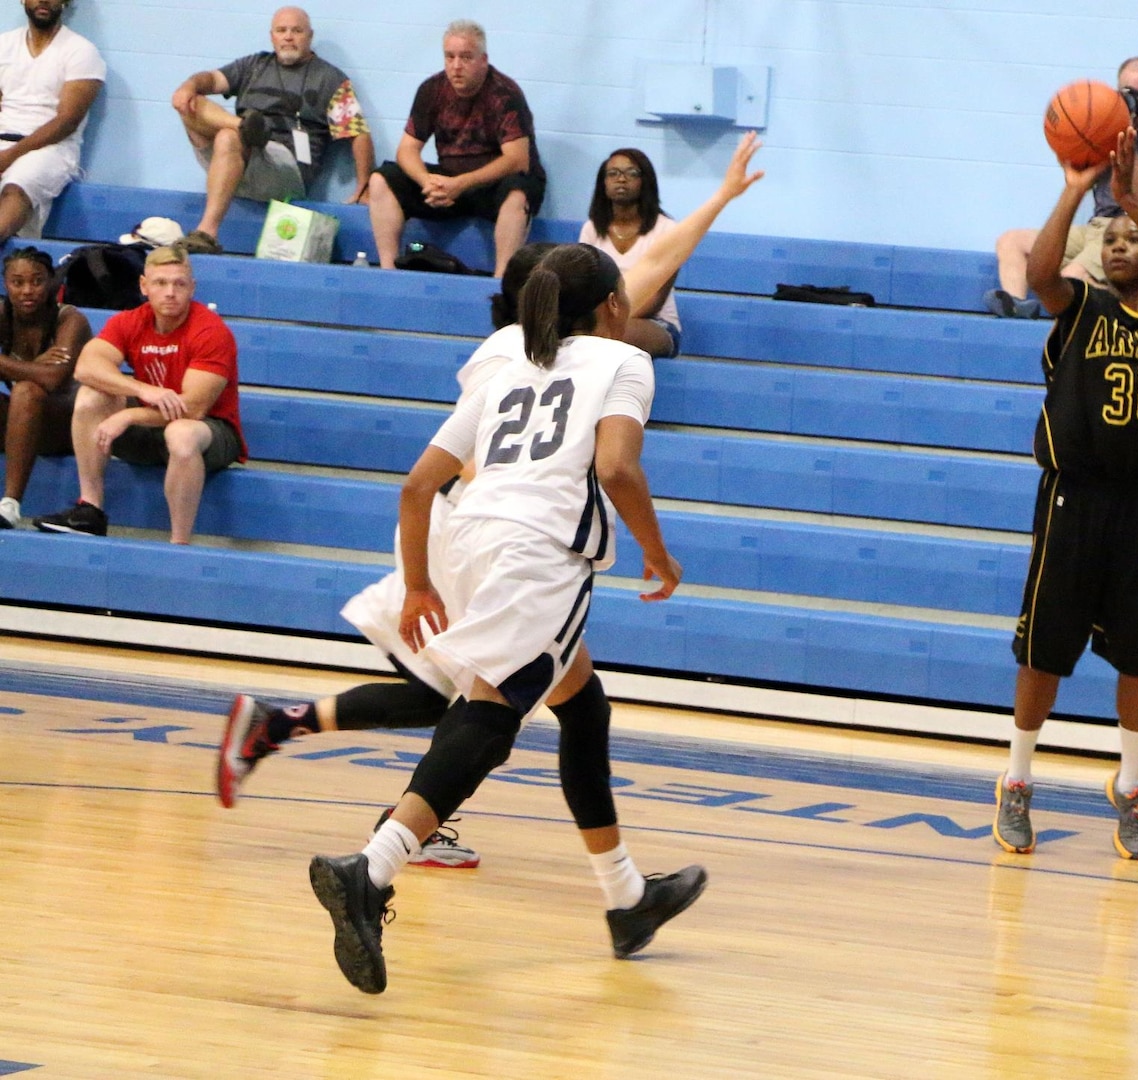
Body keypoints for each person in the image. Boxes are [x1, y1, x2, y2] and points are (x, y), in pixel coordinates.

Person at [220, 136, 764, 912]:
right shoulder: (609, 360)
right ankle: (380, 859)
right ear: (601, 304)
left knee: (571, 703)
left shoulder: (506, 348)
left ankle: (624, 894)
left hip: (458, 530)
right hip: (521, 543)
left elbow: (419, 482)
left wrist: (716, 200)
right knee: (483, 712)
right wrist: (660, 555)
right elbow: (615, 459)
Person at [993, 126, 1138, 861]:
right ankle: (1017, 782)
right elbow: (1044, 269)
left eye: (1129, 240)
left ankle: (1133, 788)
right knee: (1043, 654)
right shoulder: (1079, 308)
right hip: (1072, 499)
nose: (1117, 246)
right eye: (1108, 240)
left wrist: (1134, 205)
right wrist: (1078, 190)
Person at [34, 245, 247, 544]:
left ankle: (179, 543)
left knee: (181, 434)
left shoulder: (211, 331)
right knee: (91, 396)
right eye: (161, 283)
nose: (170, 292)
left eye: (179, 284)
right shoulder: (131, 321)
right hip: (152, 422)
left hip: (210, 432)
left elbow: (193, 409)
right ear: (144, 286)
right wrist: (141, 389)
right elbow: (86, 367)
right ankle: (89, 510)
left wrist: (129, 414)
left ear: (192, 288)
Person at [988, 57, 1138, 318]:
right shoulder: (1104, 126)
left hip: (1136, 232)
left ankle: (1101, 309)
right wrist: (1082, 139)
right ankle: (1017, 307)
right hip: (1097, 226)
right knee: (1011, 242)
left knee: (1071, 278)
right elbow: (1081, 182)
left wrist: (1127, 135)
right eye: (1130, 93)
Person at [171, 6, 375, 255]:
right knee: (190, 103)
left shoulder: (329, 78)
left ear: (309, 36)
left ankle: (206, 232)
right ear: (272, 36)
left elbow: (358, 133)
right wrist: (188, 85)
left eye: (296, 31)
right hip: (235, 154)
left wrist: (363, 187)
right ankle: (243, 126)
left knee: (227, 136)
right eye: (282, 30)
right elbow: (212, 80)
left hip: (285, 167)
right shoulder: (254, 65)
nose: (288, 36)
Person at [367, 19, 547, 278]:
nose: (456, 66)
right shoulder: (432, 89)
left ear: (483, 59)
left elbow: (517, 160)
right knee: (381, 179)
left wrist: (461, 184)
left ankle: (500, 281)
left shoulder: (505, 94)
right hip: (449, 184)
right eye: (449, 57)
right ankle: (388, 271)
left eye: (465, 57)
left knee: (517, 192)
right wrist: (426, 180)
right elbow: (406, 150)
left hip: (494, 184)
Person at [0, 0, 105, 243]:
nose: (44, 0)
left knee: (17, 186)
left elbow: (67, 121)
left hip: (51, 149)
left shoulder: (81, 51)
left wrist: (11, 155)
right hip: (4, 139)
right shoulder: (4, 45)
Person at [0, 246, 90, 527]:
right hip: (21, 421)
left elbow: (53, 379)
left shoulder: (69, 320)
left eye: (37, 281)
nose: (28, 290)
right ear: (6, 284)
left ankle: (10, 505)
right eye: (18, 282)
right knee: (24, 391)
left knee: (27, 392)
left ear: (51, 282)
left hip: (68, 425)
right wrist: (37, 366)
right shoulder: (2, 315)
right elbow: (43, 373)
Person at [579, 149, 681, 358]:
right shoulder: (591, 229)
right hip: (602, 320)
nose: (621, 179)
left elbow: (655, 300)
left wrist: (608, 321)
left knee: (612, 338)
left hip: (655, 322)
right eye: (613, 173)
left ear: (646, 181)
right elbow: (583, 287)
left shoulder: (667, 230)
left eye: (631, 173)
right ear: (603, 183)